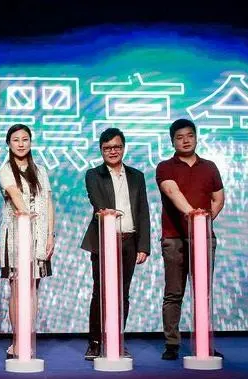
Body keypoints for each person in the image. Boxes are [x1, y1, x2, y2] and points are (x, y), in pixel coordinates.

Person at [156, 118, 225, 361]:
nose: (185, 141)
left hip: (204, 238)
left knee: (203, 293)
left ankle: (204, 343)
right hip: (174, 239)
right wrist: (193, 215)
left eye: (190, 135)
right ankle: (172, 343)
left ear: (196, 137)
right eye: (179, 137)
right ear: (172, 141)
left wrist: (203, 223)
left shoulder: (210, 167)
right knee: (174, 293)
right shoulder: (165, 167)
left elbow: (218, 199)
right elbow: (171, 191)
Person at [81, 127, 151, 360]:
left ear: (124, 148)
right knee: (100, 292)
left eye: (117, 147)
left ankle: (116, 339)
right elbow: (98, 202)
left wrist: (144, 245)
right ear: (101, 150)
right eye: (107, 148)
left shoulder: (137, 176)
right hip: (104, 241)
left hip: (129, 240)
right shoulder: (93, 175)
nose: (113, 151)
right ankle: (95, 342)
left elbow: (143, 211)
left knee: (123, 293)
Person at [0, 124, 55, 359]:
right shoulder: (5, 170)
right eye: (16, 140)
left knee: (32, 289)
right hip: (16, 235)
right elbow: (15, 195)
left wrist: (50, 235)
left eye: (25, 139)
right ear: (8, 143)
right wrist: (27, 217)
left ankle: (27, 338)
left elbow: (48, 202)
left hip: (39, 237)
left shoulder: (40, 170)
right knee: (17, 289)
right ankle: (17, 341)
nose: (21, 144)